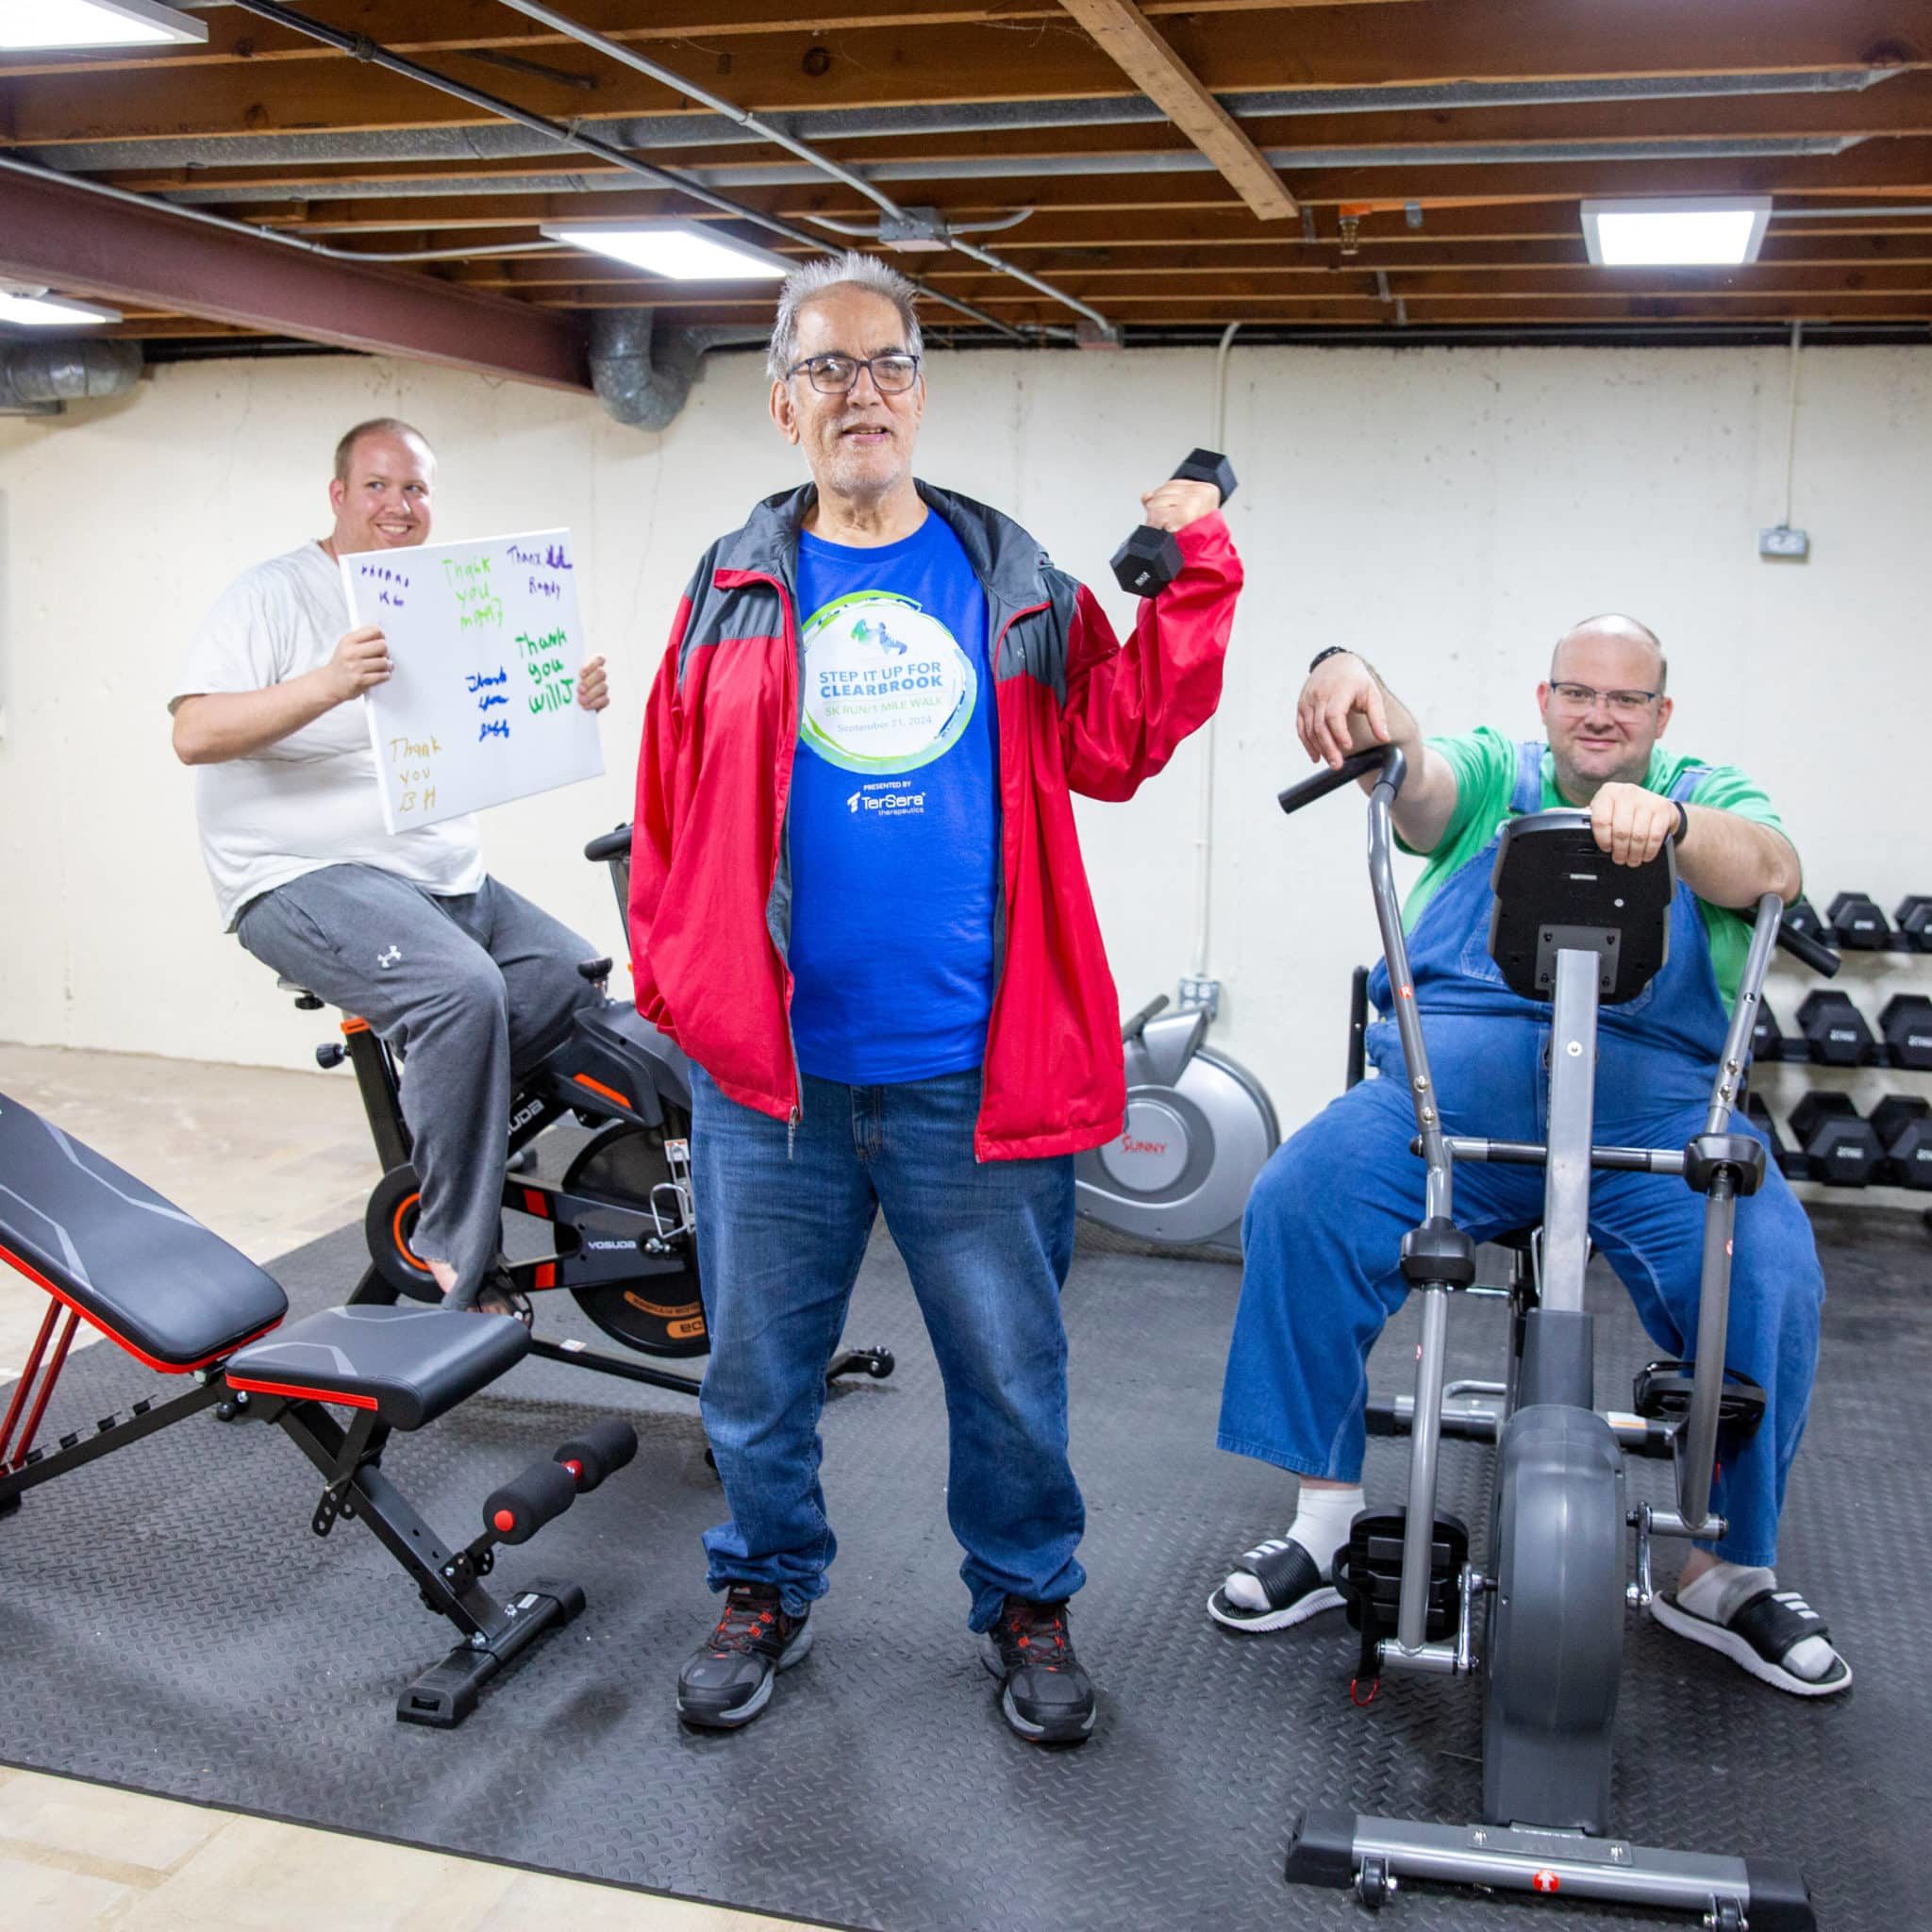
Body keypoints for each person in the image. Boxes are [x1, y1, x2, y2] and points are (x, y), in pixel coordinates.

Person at [629, 251, 1242, 1742]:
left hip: (977, 1065)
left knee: (1010, 1376)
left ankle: (1027, 1602)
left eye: (888, 363)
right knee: (761, 1377)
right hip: (775, 1078)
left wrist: (1197, 578)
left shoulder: (1010, 573)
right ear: (784, 406)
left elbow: (1118, 739)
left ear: (921, 389)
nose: (862, 393)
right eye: (828, 368)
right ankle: (766, 1585)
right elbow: (669, 789)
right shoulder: (733, 579)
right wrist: (678, 976)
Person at [1212, 617, 1849, 1697]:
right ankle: (1322, 1519)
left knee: (1770, 1266)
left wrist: (1674, 822)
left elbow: (1771, 865)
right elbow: (1414, 776)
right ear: (1545, 697)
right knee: (1299, 1197)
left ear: (1660, 714)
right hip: (1446, 1094)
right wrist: (1352, 674)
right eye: (1578, 693)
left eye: (1626, 699)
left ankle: (1721, 1566)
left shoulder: (1708, 787)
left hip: (1650, 1116)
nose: (1600, 714)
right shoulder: (1491, 773)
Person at [170, 418, 610, 1312]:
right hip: (300, 871)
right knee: (459, 994)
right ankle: (452, 1247)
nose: (397, 506)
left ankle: (454, 1117)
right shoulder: (274, 595)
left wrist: (567, 700)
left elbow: (490, 723)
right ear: (338, 496)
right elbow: (194, 733)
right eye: (377, 486)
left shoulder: (438, 597)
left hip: (439, 872)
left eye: (413, 488)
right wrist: (327, 683)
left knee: (573, 981)